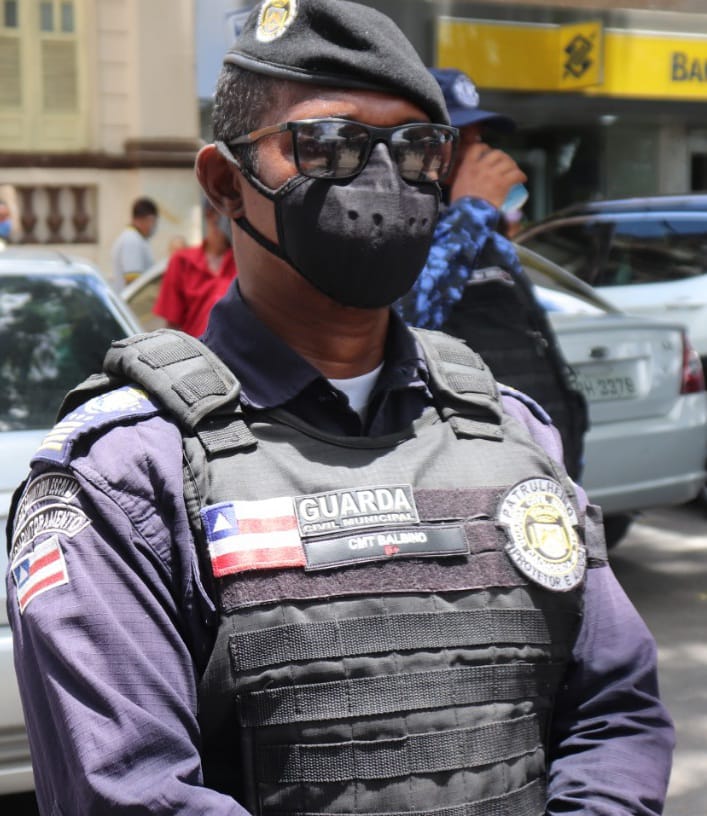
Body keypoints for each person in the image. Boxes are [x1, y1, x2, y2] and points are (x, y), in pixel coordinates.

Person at [6, 1, 673, 814]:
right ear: (225, 182)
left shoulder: (509, 431)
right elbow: (129, 791)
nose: (383, 179)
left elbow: (616, 715)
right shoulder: (124, 475)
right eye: (330, 143)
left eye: (418, 147)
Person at [397, 68, 588, 482]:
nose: (477, 153)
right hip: (474, 469)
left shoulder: (483, 235)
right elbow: (407, 322)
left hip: (541, 458)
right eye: (459, 139)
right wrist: (474, 206)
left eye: (480, 139)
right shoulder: (397, 230)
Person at [153, 201, 237, 337]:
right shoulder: (182, 262)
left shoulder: (242, 264)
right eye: (216, 214)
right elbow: (172, 327)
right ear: (209, 215)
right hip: (195, 353)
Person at [111, 196, 159, 292]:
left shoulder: (137, 238)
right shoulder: (132, 240)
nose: (153, 226)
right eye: (153, 221)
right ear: (146, 219)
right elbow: (133, 280)